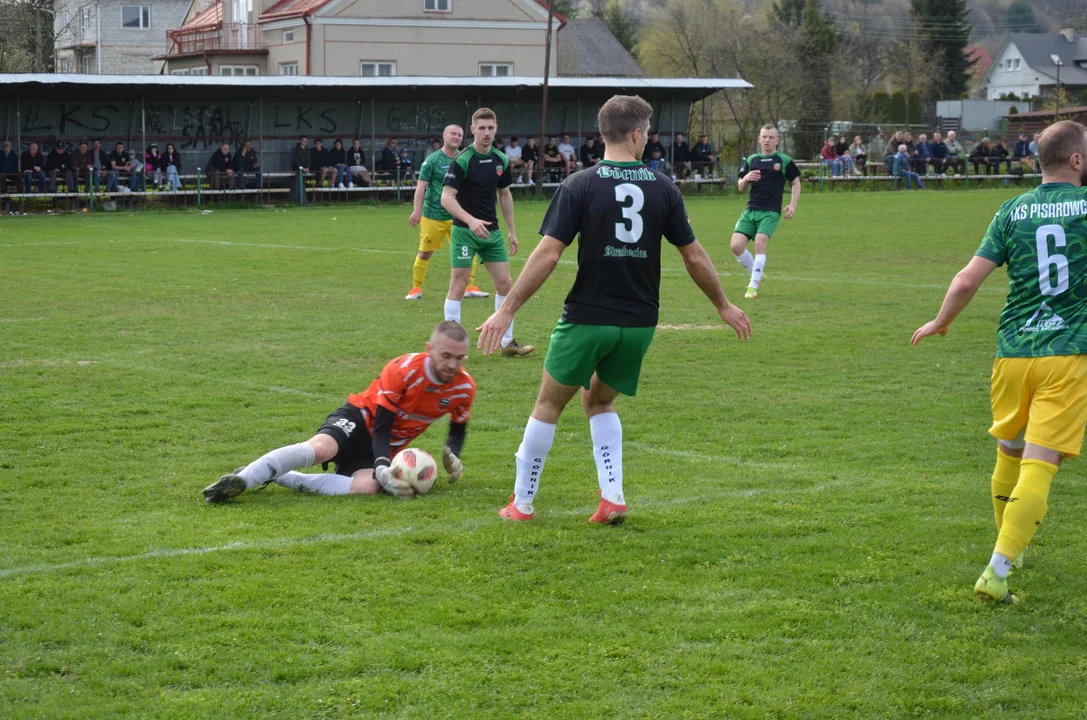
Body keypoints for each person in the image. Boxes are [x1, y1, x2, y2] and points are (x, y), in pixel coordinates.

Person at [476, 94, 751, 524]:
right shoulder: (663, 187)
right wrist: (723, 305)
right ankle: (612, 498)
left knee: (548, 404)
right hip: (640, 322)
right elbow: (694, 256)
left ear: (604, 132)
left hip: (588, 316)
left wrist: (507, 309)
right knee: (601, 402)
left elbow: (548, 254)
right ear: (637, 134)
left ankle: (522, 503)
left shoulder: (581, 184)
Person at [911, 120, 1087, 605]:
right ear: (1075, 160)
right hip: (1066, 354)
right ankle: (998, 568)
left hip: (1012, 353)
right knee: (1042, 460)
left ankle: (1010, 544)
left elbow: (967, 280)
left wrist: (941, 321)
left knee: (1009, 449)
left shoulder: (1011, 210)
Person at [204, 321, 474, 503]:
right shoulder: (402, 370)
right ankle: (243, 479)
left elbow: (457, 430)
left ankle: (281, 476)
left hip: (383, 447)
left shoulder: (464, 387)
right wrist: (382, 466)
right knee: (321, 449)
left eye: (459, 358)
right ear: (430, 350)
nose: (452, 364)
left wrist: (454, 455)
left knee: (369, 488)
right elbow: (381, 428)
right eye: (445, 356)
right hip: (359, 419)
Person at [441, 107, 534, 358]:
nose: (486, 132)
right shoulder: (462, 160)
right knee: (458, 285)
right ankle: (453, 347)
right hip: (464, 231)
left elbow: (504, 195)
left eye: (490, 128)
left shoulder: (500, 160)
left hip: (491, 233)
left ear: (496, 129)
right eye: (481, 128)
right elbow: (446, 199)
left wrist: (512, 231)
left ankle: (506, 343)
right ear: (473, 130)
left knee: (506, 284)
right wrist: (470, 221)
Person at [406, 124, 487, 302]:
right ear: (444, 135)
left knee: (468, 250)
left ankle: (470, 287)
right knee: (425, 252)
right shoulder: (432, 161)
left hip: (459, 215)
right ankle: (416, 288)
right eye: (453, 133)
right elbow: (421, 187)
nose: (456, 137)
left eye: (459, 135)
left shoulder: (466, 158)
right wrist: (416, 211)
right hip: (434, 215)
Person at [731, 124, 801, 299]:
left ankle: (752, 286)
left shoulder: (783, 160)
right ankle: (758, 273)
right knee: (736, 246)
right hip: (751, 210)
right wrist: (746, 178)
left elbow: (796, 182)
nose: (767, 140)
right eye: (764, 137)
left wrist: (793, 204)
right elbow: (740, 187)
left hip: (770, 211)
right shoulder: (752, 160)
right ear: (759, 139)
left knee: (760, 242)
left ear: (777, 140)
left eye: (771, 137)